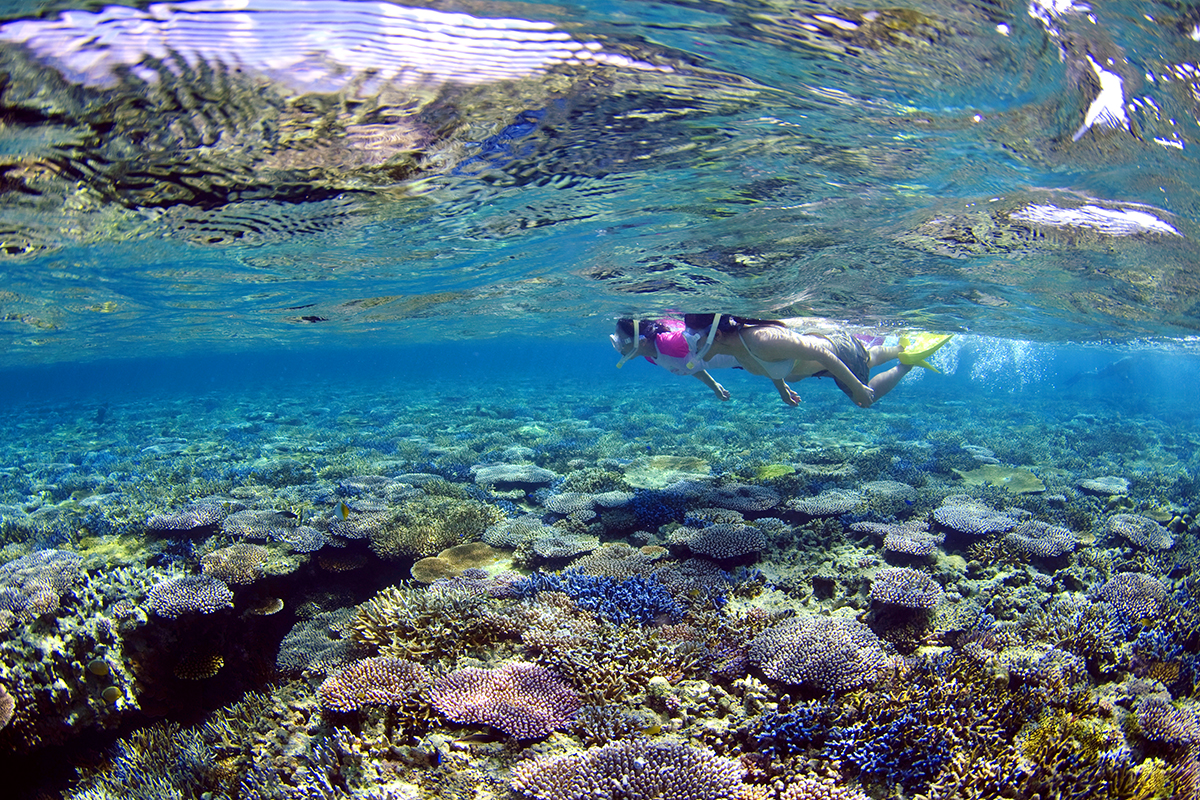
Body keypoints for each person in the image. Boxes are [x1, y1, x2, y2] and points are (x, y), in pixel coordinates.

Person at [612, 314, 952, 408]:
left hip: (831, 350)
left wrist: (859, 388)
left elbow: (821, 352)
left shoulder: (758, 339)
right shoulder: (730, 350)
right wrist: (782, 386)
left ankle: (906, 361)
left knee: (864, 397)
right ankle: (902, 346)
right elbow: (759, 363)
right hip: (818, 366)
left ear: (714, 333)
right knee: (871, 354)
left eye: (692, 337)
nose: (688, 345)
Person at [610, 317, 741, 400]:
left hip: (748, 353)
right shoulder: (649, 357)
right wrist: (715, 387)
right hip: (743, 361)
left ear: (642, 341)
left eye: (621, 341)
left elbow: (714, 334)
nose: (618, 347)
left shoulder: (669, 343)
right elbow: (689, 366)